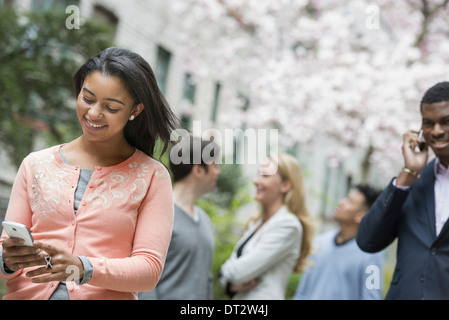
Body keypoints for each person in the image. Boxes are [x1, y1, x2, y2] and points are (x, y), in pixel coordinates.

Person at [0, 47, 179, 300]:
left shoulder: (152, 176)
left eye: (111, 107)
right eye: (88, 98)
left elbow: (149, 271)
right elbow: (5, 254)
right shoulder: (35, 164)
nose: (94, 113)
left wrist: (83, 267)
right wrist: (7, 260)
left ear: (135, 110)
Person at [357, 81, 449, 299]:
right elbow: (368, 241)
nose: (436, 131)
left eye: (446, 122)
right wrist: (408, 174)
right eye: (428, 123)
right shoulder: (411, 183)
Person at [219, 153, 314, 299]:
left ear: (285, 185)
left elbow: (238, 273)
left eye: (265, 175)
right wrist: (230, 284)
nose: (255, 180)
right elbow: (231, 277)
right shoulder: (258, 223)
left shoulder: (287, 225)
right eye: (258, 174)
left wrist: (226, 272)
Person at [139, 137, 221, 300]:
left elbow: (206, 278)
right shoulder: (158, 213)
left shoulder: (204, 219)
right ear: (198, 170)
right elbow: (143, 277)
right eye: (215, 165)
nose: (218, 171)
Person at [293, 184, 383, 300]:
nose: (341, 202)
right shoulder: (319, 242)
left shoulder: (371, 255)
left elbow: (372, 297)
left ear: (361, 215)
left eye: (350, 201)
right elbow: (303, 290)